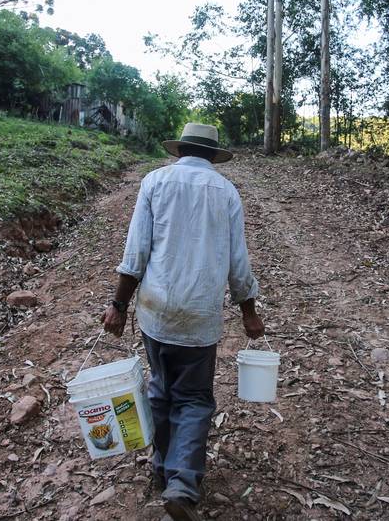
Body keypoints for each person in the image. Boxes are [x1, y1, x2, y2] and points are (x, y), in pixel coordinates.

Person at [103, 122, 264, 521]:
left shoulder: (155, 182)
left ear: (180, 151)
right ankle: (183, 483)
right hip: (199, 314)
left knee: (160, 390)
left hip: (156, 311)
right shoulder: (226, 192)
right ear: (212, 156)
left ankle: (161, 469)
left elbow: (135, 251)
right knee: (193, 398)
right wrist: (249, 311)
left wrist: (119, 306)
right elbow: (237, 261)